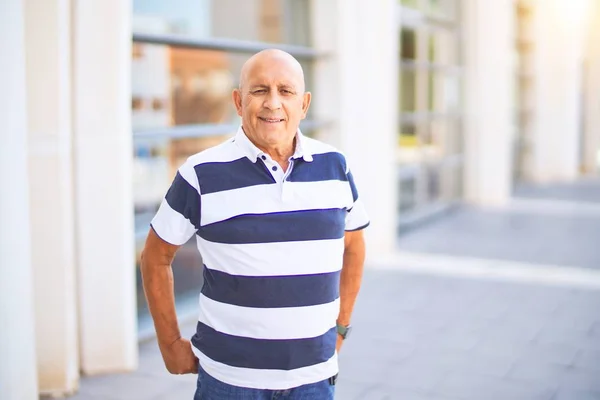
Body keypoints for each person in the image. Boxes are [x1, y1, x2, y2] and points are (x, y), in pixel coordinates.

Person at [140, 48, 369, 400]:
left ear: (304, 104)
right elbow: (155, 257)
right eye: (259, 90)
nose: (272, 103)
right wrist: (170, 343)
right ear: (238, 101)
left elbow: (353, 247)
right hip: (228, 382)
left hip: (314, 379)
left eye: (286, 91)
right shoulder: (200, 174)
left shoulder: (336, 168)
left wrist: (341, 326)